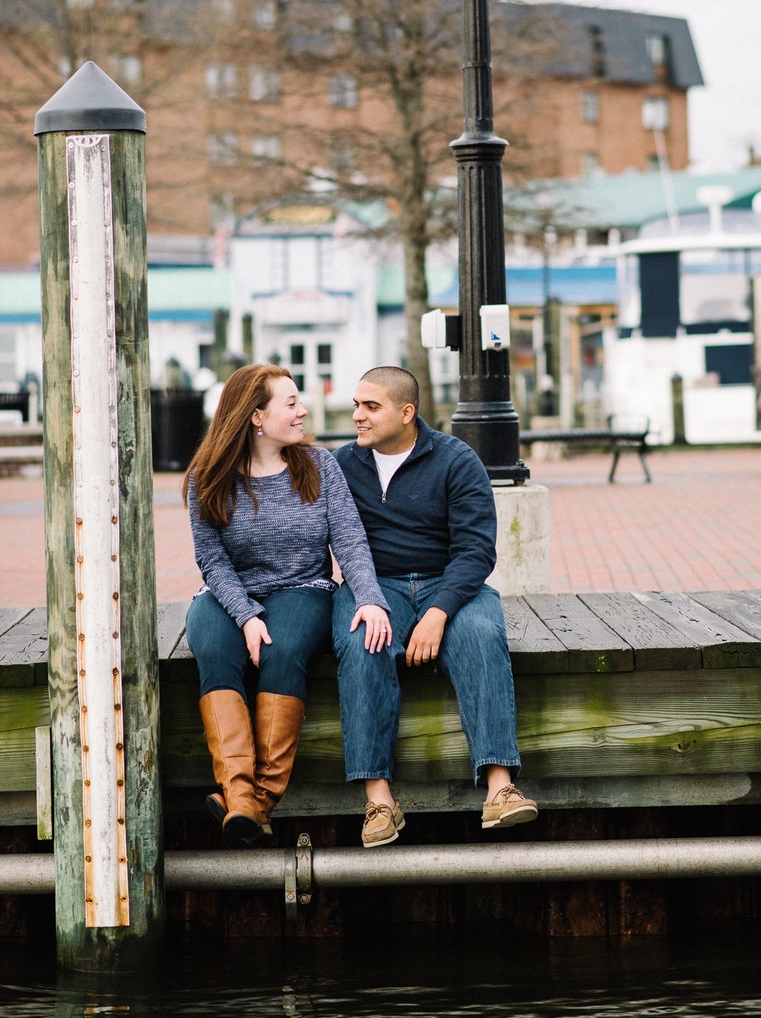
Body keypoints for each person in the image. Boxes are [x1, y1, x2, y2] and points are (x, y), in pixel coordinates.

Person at [184, 363, 391, 844]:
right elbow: (211, 560)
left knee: (282, 651)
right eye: (291, 403)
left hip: (303, 588)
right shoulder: (208, 476)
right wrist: (246, 615)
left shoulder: (319, 466)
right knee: (215, 651)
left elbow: (351, 544)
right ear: (256, 417)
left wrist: (372, 600)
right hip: (228, 591)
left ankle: (257, 802)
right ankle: (241, 798)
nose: (303, 411)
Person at [333, 365, 537, 848]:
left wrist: (439, 612)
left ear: (407, 412)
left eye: (371, 407)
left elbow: (476, 551)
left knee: (482, 637)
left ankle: (500, 789)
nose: (358, 416)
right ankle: (379, 799)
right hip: (374, 588)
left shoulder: (456, 460)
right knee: (362, 642)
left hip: (450, 584)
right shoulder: (340, 465)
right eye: (356, 406)